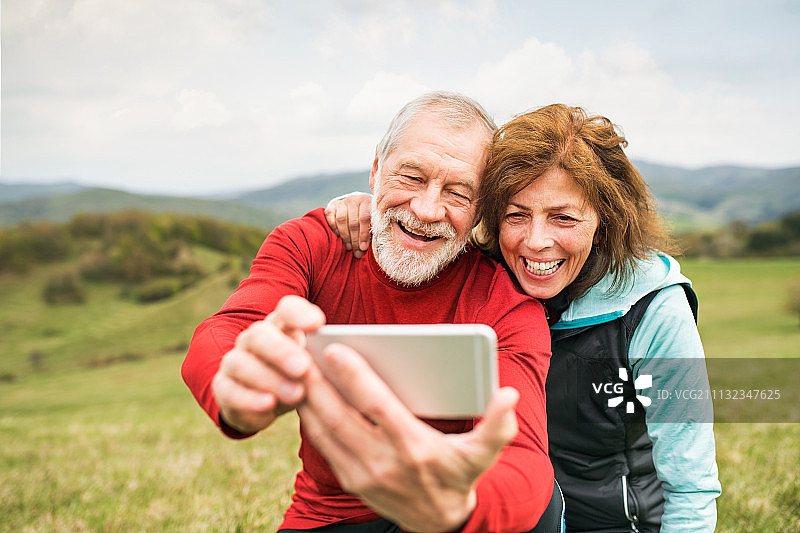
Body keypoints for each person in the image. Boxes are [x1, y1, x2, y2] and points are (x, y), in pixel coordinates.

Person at [326, 104, 721, 532]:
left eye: (563, 218)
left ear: (604, 223)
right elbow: (426, 221)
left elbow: (690, 488)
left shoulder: (655, 311)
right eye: (516, 215)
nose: (536, 242)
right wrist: (367, 208)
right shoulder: (487, 284)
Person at [181, 92, 557, 532]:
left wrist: (462, 503)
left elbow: (525, 460)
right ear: (377, 168)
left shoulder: (504, 302)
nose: (427, 209)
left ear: (479, 209)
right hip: (330, 515)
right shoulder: (311, 244)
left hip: (449, 509)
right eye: (411, 177)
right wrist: (235, 381)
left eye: (458, 192)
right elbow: (230, 328)